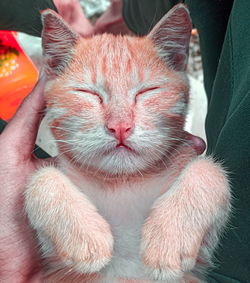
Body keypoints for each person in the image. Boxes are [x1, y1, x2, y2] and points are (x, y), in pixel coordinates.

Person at [0, 0, 249, 282]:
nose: (120, 125)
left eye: (147, 92)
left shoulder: (191, 177)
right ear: (52, 73)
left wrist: (205, 180)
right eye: (89, 95)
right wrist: (43, 189)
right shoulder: (54, 184)